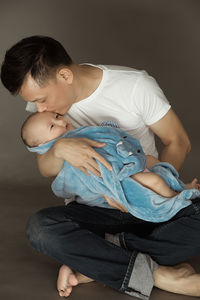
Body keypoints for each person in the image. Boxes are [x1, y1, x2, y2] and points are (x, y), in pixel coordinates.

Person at [1, 35, 200, 299]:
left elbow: (178, 141)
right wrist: (59, 149)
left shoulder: (135, 86)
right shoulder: (49, 114)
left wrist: (146, 189)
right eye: (35, 103)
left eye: (41, 100)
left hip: (148, 202)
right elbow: (46, 168)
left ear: (64, 76)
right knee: (41, 228)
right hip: (95, 212)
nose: (38, 108)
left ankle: (98, 259)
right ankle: (158, 275)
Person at [21, 111, 200, 205]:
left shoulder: (78, 133)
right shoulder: (58, 156)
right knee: (154, 181)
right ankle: (178, 202)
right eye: (53, 126)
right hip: (116, 179)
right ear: (44, 144)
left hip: (126, 163)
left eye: (57, 116)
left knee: (153, 161)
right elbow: (76, 179)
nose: (61, 121)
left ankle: (179, 185)